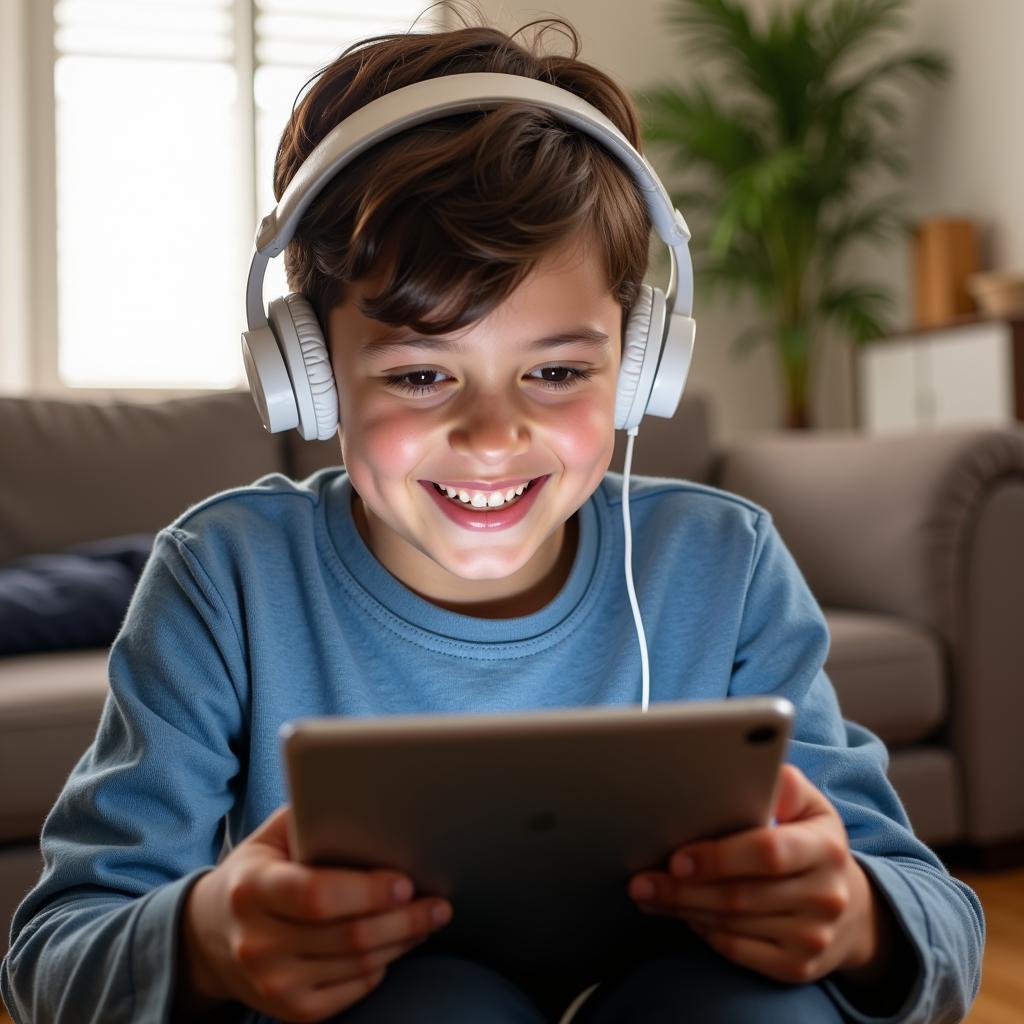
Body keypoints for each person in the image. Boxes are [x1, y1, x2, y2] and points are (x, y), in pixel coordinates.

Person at [1, 13, 983, 1024]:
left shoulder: (720, 564)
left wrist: (854, 916)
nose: (489, 434)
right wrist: (209, 935)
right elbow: (53, 958)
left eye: (557, 371)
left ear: (640, 367)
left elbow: (940, 924)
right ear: (310, 376)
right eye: (422, 374)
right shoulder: (225, 576)